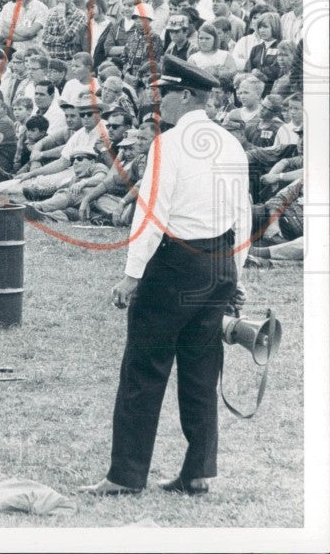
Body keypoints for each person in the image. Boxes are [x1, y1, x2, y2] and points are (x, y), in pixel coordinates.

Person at [80, 54, 250, 497]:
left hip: (174, 264)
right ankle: (198, 471)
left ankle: (125, 475)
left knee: (144, 369)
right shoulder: (230, 143)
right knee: (200, 370)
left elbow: (153, 213)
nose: (159, 105)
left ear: (188, 95)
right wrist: (238, 274)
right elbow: (243, 214)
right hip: (218, 262)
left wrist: (132, 274)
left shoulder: (169, 145)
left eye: (165, 95)